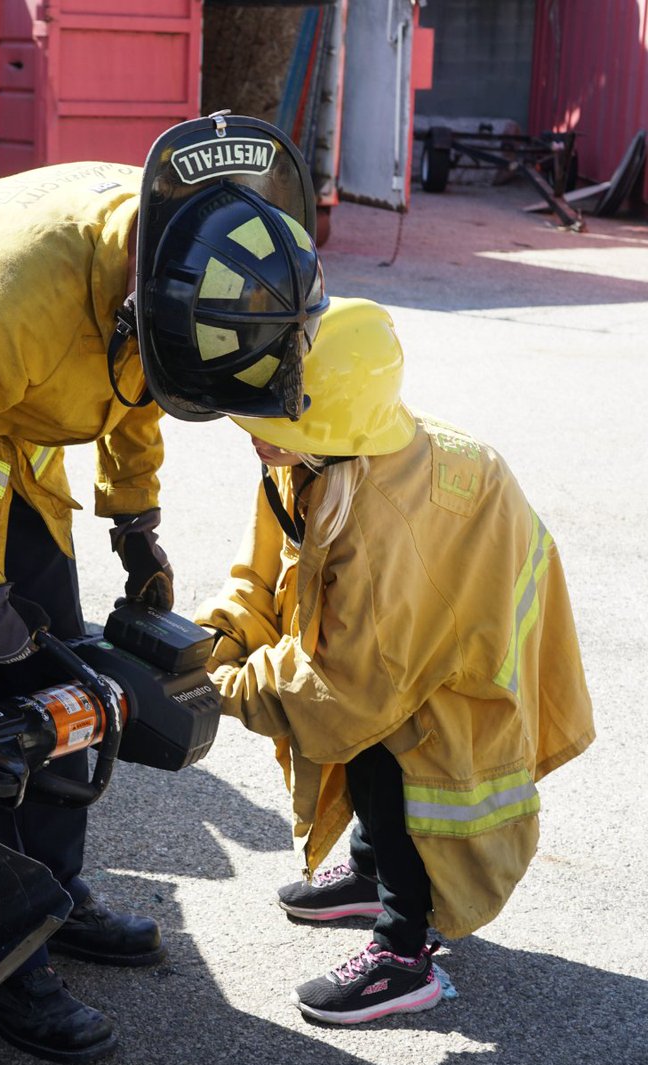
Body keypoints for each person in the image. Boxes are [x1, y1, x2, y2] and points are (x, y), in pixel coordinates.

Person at [0, 113, 328, 1062]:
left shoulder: (166, 252)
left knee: (62, 679)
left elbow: (140, 381)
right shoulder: (19, 292)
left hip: (9, 417)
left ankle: (53, 895)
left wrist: (135, 524)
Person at [195, 297, 595, 1025]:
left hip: (471, 628)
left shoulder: (380, 523)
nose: (253, 436)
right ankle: (374, 868)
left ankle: (403, 954)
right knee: (378, 738)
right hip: (437, 602)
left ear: (327, 418)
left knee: (397, 750)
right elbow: (265, 572)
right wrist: (207, 643)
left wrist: (221, 690)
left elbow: (348, 688)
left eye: (270, 423)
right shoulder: (321, 451)